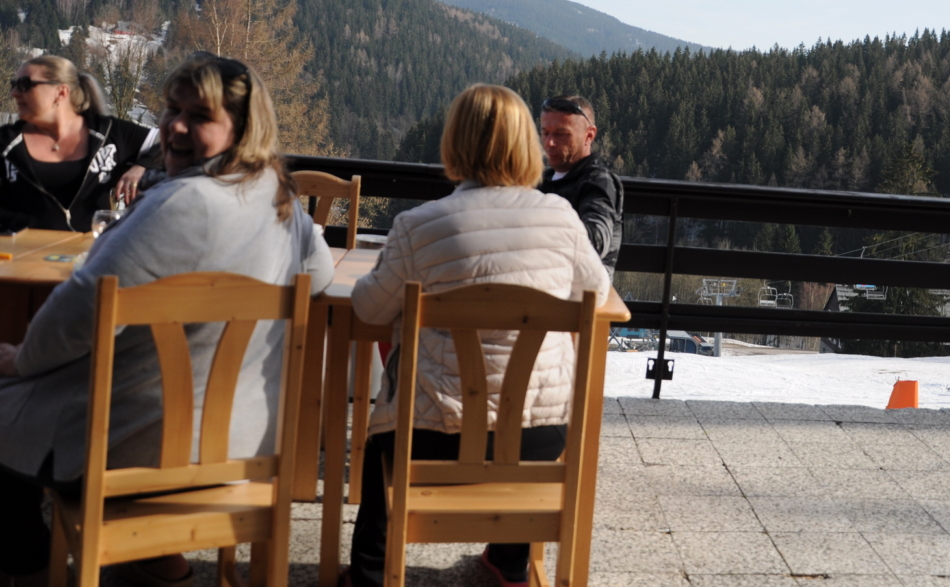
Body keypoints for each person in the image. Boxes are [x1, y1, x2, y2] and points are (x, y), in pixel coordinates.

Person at [0, 52, 335, 587]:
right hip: (243, 444)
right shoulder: (280, 197)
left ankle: (33, 573)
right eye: (172, 109)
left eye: (199, 116)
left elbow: (79, 310)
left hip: (142, 448)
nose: (175, 126)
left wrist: (21, 359)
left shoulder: (180, 203)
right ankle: (160, 567)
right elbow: (317, 278)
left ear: (242, 129)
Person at [348, 84, 609, 587]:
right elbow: (596, 296)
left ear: (454, 142)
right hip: (541, 435)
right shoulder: (562, 218)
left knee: (384, 441)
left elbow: (368, 309)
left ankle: (369, 574)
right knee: (516, 406)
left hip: (432, 436)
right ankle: (509, 562)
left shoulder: (418, 225)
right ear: (527, 143)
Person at [0, 55, 159, 233]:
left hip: (94, 248)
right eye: (13, 84)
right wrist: (30, 224)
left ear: (61, 92)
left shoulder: (109, 132)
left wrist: (142, 165)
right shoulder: (6, 142)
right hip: (22, 249)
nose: (14, 92)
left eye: (24, 84)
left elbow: (171, 141)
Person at [538, 95, 623, 276]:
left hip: (581, 291)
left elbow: (595, 242)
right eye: (545, 133)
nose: (549, 142)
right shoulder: (541, 181)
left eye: (561, 134)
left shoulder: (598, 182)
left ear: (589, 135)